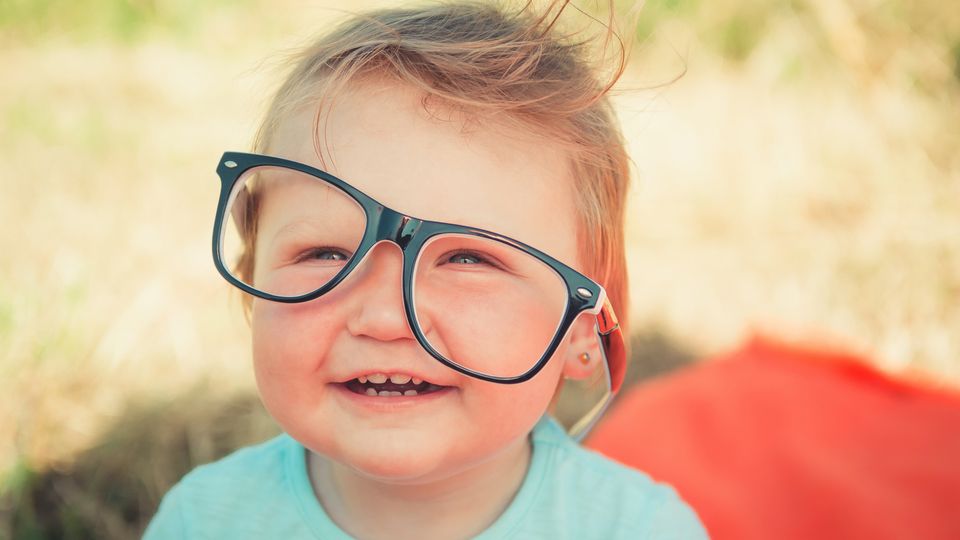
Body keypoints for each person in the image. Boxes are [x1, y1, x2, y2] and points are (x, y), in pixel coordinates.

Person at [144, 1, 706, 538]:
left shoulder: (638, 530)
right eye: (326, 254)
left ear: (584, 329)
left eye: (469, 258)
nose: (384, 316)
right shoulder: (204, 522)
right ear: (255, 282)